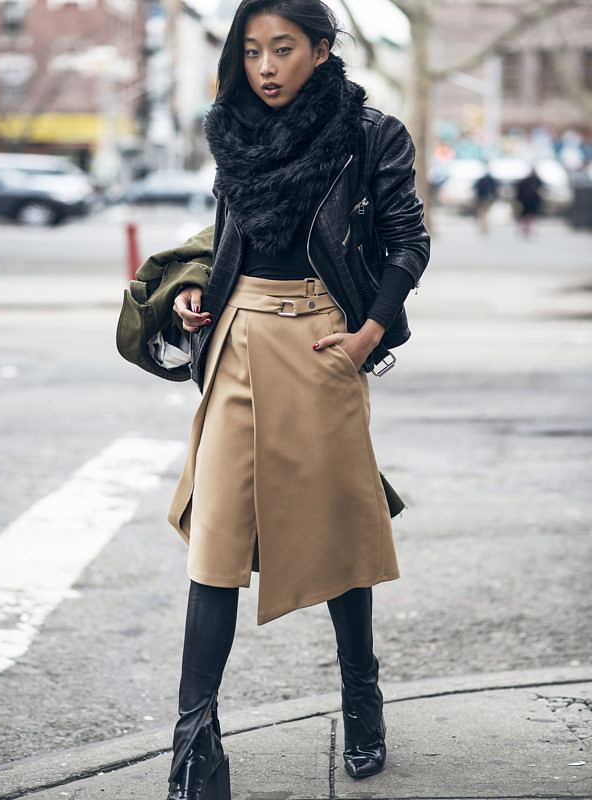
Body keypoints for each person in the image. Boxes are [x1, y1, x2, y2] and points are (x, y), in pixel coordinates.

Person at [163, 0, 430, 797]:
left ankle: (362, 697)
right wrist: (194, 298)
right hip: (238, 334)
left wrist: (368, 335)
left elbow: (407, 242)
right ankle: (193, 746)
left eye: (283, 48)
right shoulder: (233, 131)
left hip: (323, 340)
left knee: (340, 530)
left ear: (321, 48)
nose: (266, 67)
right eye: (251, 51)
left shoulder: (369, 133)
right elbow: (226, 238)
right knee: (215, 535)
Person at [514, 169, 543, 237]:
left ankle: (527, 228)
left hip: (528, 201)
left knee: (527, 215)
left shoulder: (529, 181)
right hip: (530, 201)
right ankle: (528, 228)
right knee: (529, 215)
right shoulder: (534, 181)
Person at [473, 168, 498, 233]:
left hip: (481, 199)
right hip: (487, 199)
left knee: (482, 213)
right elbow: (495, 190)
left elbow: (475, 187)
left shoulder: (481, 180)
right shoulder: (491, 180)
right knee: (486, 214)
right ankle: (485, 227)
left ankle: (484, 227)